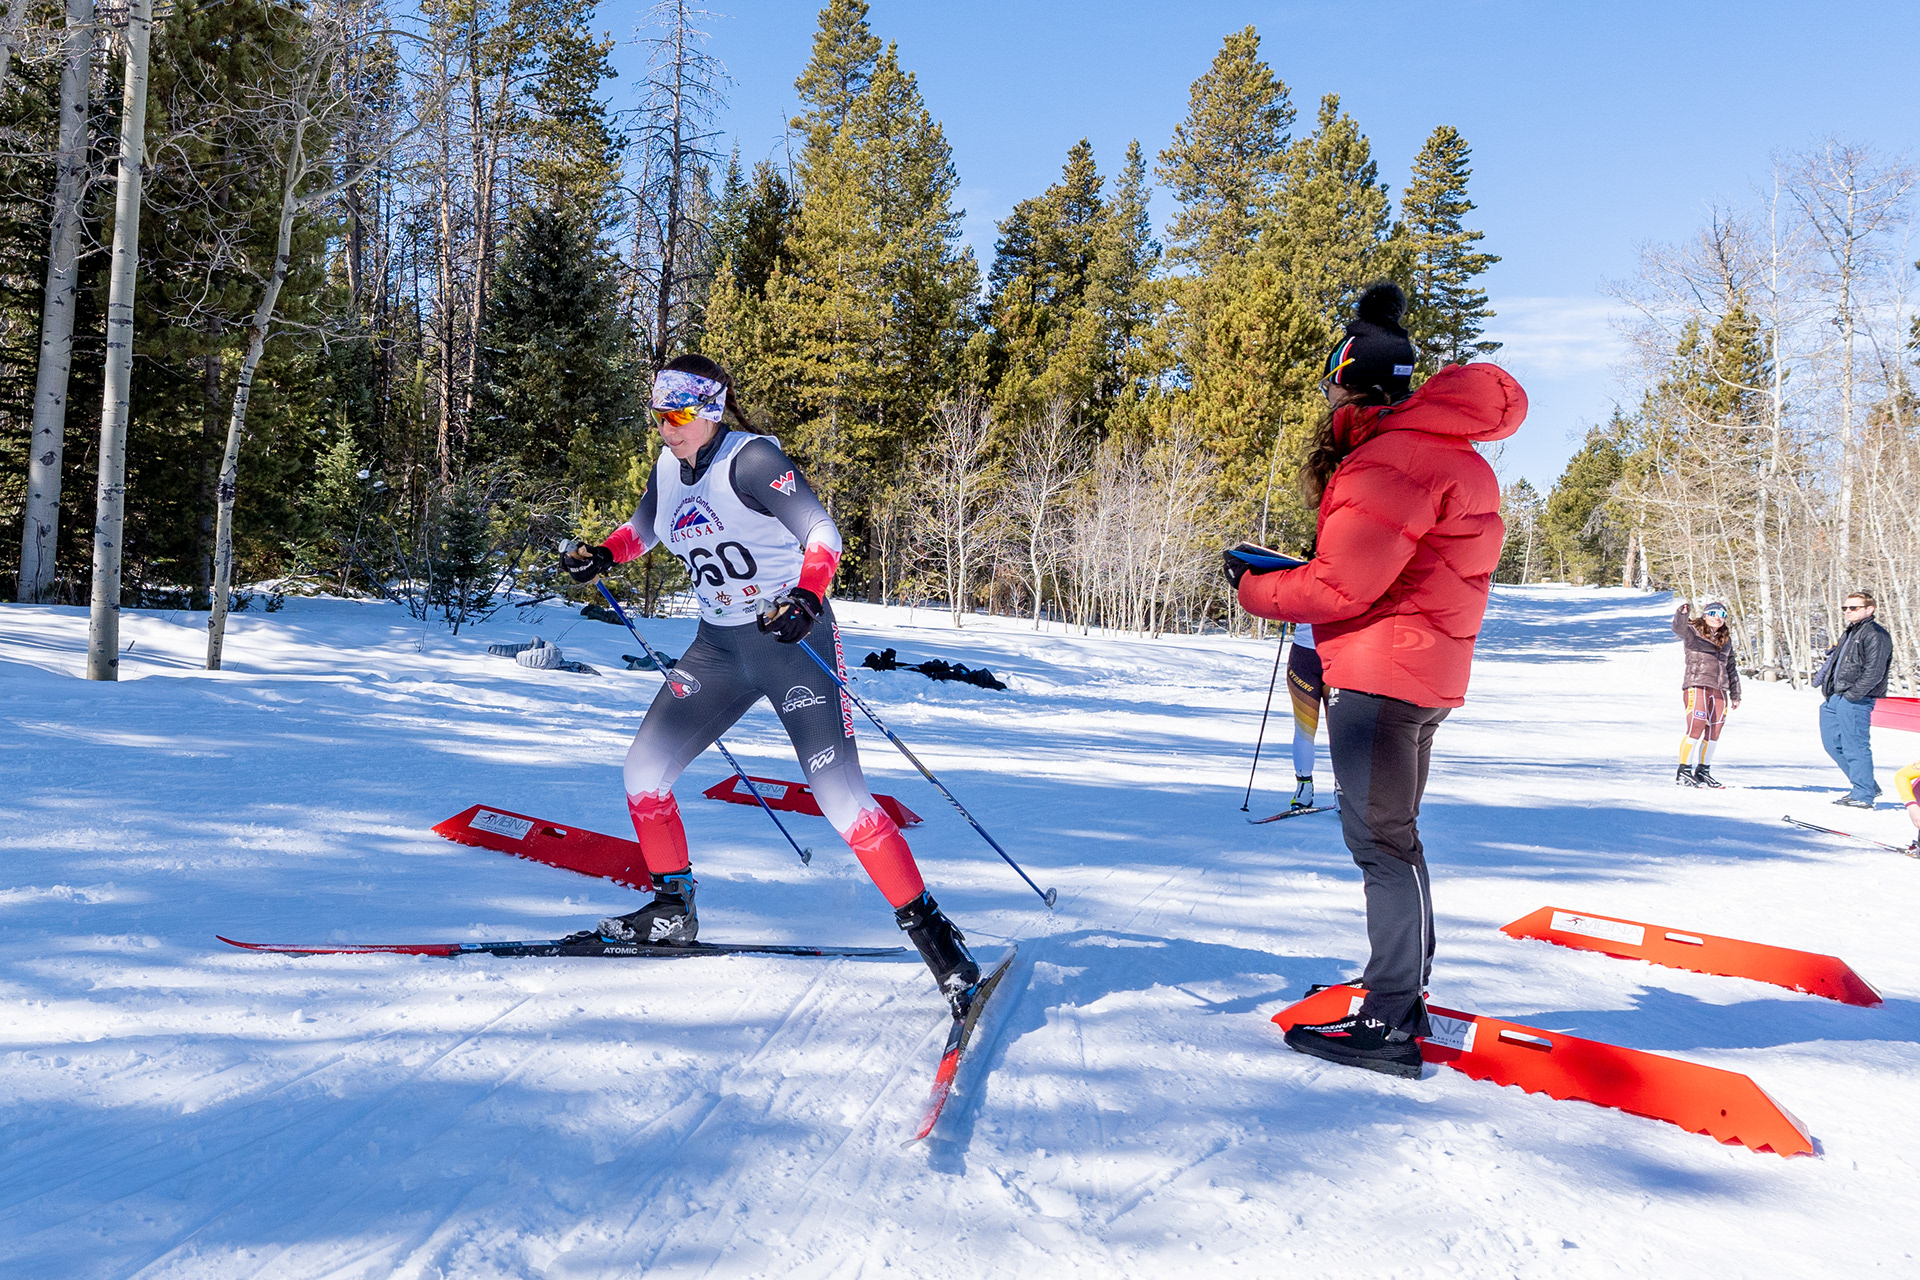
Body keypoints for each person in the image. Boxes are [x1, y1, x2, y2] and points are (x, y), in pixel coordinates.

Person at [558, 355, 981, 1015]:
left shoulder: (751, 460)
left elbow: (822, 533)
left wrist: (807, 597)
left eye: (677, 413)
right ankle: (672, 909)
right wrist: (603, 553)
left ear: (710, 409)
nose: (666, 427)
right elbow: (642, 532)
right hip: (718, 649)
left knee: (840, 797)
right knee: (643, 773)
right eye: (658, 414)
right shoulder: (669, 467)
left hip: (790, 642)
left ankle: (939, 943)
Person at [1225, 281, 1525, 1079]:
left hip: (1381, 674)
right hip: (1417, 672)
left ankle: (1390, 1018)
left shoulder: (1389, 461)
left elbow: (1340, 588)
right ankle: (1401, 990)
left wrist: (1255, 586)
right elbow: (1383, 568)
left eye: (1331, 384)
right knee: (1395, 835)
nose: (1326, 399)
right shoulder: (1449, 455)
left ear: (1349, 382)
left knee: (1380, 843)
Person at [1814, 590, 1892, 809]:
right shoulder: (1851, 632)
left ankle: (1863, 794)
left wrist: (1853, 695)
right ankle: (1867, 785)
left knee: (1855, 746)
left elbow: (1874, 671)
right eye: (1845, 608)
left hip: (1856, 698)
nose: (1848, 611)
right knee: (1832, 744)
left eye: (1854, 608)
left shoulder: (1876, 634)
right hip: (1835, 696)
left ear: (1869, 609)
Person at [1672, 599, 1741, 788]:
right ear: (1705, 615)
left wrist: (1735, 694)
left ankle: (1703, 771)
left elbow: (1731, 667)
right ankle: (1684, 771)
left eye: (1722, 615)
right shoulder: (1693, 631)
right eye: (1713, 614)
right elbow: (1678, 628)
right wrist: (1682, 614)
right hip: (1698, 685)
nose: (1717, 618)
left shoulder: (1725, 640)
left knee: (1714, 731)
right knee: (1696, 726)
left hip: (1719, 689)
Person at [1286, 624, 1325, 810]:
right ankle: (1304, 787)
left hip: (1341, 655)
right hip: (1304, 656)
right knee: (1304, 727)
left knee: (1341, 730)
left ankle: (1343, 790)